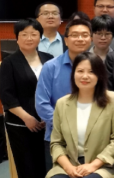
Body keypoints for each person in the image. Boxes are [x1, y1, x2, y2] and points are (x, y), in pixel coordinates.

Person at [0, 19, 52, 178]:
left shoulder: (48, 59)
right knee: (28, 176)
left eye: (34, 34)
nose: (29, 38)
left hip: (46, 126)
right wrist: (27, 117)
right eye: (24, 34)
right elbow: (7, 96)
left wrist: (48, 117)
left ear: (40, 36)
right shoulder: (9, 63)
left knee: (43, 175)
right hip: (20, 125)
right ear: (17, 37)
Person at [36, 19, 93, 170]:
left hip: (91, 139)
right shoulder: (50, 67)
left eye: (84, 35)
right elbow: (42, 103)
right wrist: (64, 127)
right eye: (74, 35)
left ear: (91, 39)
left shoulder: (98, 67)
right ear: (66, 40)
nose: (80, 39)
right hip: (58, 139)